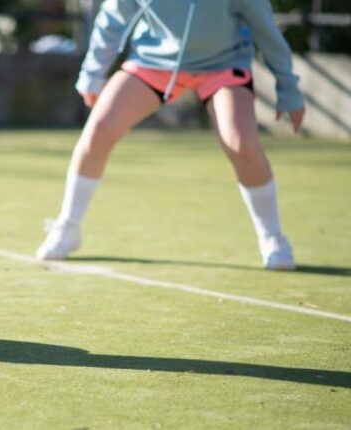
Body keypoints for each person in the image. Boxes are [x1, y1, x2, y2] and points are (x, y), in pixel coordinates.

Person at [36, 0, 305, 270]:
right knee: (98, 131)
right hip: (152, 63)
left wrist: (288, 89)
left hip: (223, 65)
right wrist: (92, 74)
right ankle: (68, 227)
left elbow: (266, 31)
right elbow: (111, 19)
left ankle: (272, 237)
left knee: (240, 142)